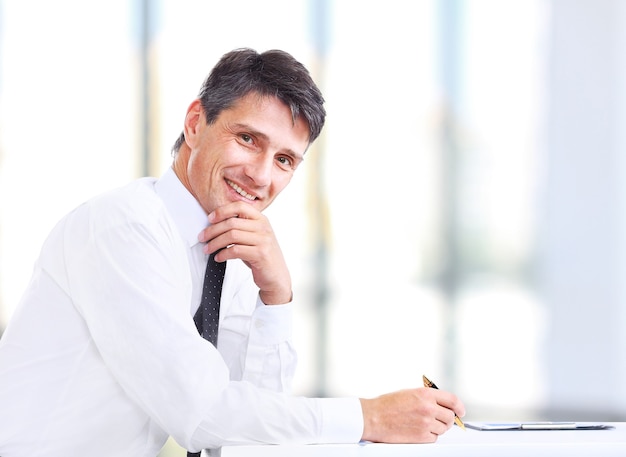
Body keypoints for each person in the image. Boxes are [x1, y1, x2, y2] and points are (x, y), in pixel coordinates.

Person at [0, 48, 465, 457]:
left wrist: (275, 293)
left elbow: (248, 435)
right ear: (196, 123)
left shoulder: (233, 249)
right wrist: (369, 418)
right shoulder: (124, 227)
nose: (262, 176)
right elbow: (201, 415)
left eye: (285, 160)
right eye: (248, 139)